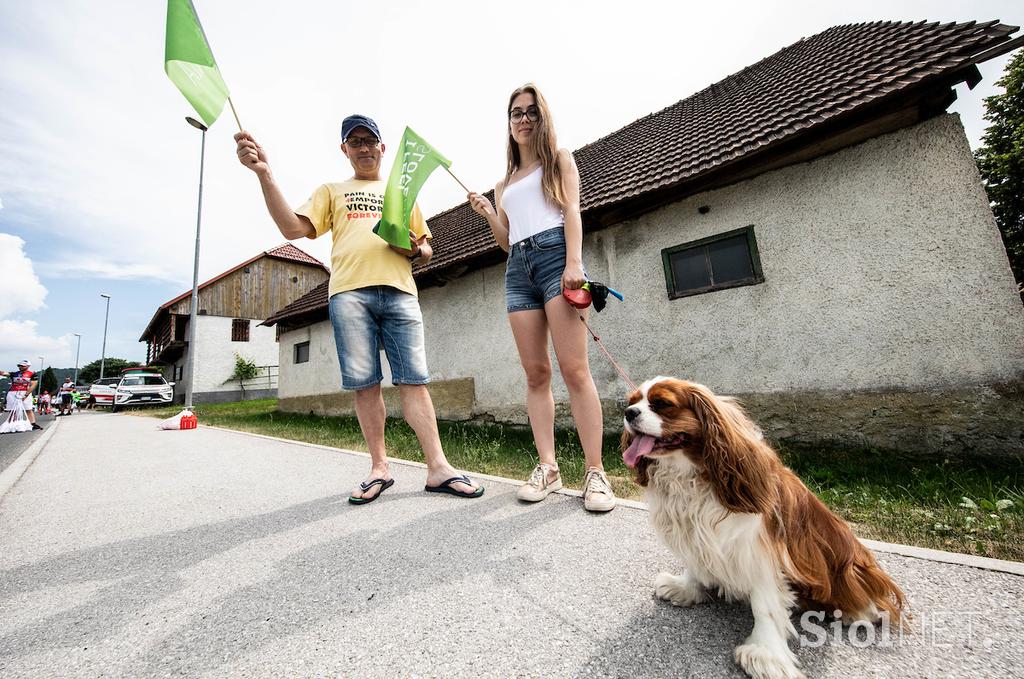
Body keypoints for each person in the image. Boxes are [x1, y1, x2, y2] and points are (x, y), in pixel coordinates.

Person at [235, 114, 483, 504]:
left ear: (383, 148)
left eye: (370, 140)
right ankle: (379, 469)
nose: (364, 147)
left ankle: (438, 469)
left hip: (400, 292)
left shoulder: (401, 193)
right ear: (345, 150)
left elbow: (427, 246)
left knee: (413, 380)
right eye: (356, 142)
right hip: (349, 295)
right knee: (365, 384)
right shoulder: (332, 190)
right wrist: (264, 174)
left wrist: (415, 250)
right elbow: (291, 229)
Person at [468, 83, 616, 513]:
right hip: (518, 269)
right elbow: (507, 241)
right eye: (516, 113)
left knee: (574, 369)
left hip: (556, 260)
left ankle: (595, 472)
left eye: (532, 112)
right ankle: (549, 468)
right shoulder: (504, 183)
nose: (524, 119)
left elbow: (572, 211)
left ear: (542, 117)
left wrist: (575, 263)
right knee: (535, 374)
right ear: (509, 122)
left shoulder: (559, 159)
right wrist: (490, 215)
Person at [0, 360, 43, 430]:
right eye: (19, 366)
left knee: (28, 408)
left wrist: (26, 395)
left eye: (22, 366)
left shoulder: (32, 374)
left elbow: (33, 385)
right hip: (13, 392)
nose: (20, 367)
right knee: (13, 410)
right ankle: (12, 424)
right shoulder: (15, 374)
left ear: (28, 366)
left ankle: (33, 424)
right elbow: (4, 373)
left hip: (25, 391)